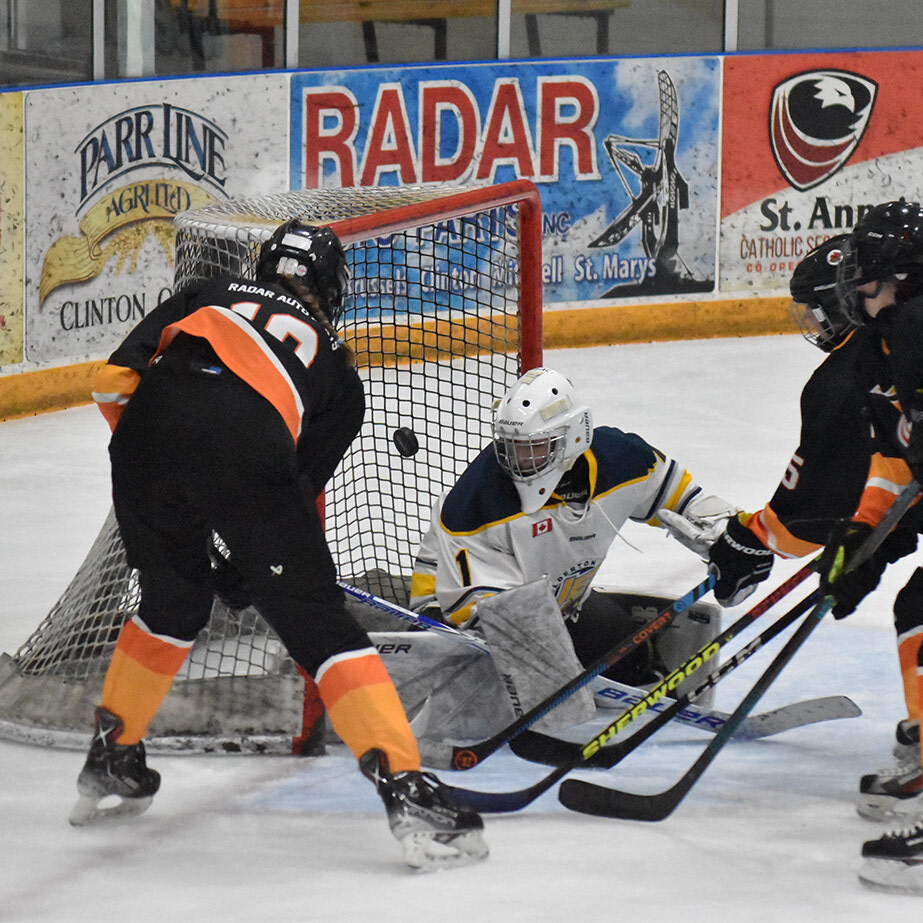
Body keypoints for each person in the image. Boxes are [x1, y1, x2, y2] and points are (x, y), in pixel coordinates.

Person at [70, 219, 488, 871]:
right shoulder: (340, 376)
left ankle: (113, 754)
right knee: (320, 626)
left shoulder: (207, 291)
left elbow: (110, 381)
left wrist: (151, 455)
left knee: (171, 603)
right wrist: (252, 565)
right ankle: (408, 790)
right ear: (331, 289)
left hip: (142, 444)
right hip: (247, 455)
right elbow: (288, 489)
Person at [409, 365, 734, 689]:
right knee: (511, 695)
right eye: (512, 446)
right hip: (453, 619)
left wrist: (732, 536)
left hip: (556, 608)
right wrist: (547, 673)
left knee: (631, 656)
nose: (517, 460)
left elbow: (684, 498)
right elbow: (478, 615)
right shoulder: (478, 501)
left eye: (534, 447)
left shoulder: (622, 461)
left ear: (573, 436)